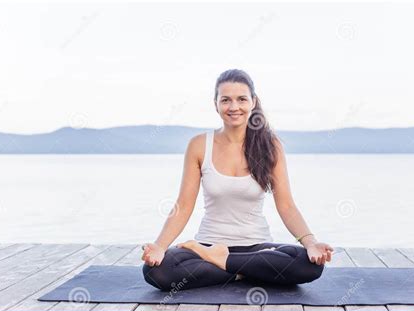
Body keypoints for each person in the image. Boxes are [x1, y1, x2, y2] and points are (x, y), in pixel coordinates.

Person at [141, 69, 334, 291]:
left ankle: (224, 264)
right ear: (215, 104)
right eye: (226, 100)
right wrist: (159, 246)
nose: (234, 107)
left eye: (242, 99)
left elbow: (287, 206)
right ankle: (248, 271)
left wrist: (310, 243)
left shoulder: (271, 146)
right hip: (207, 243)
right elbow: (183, 205)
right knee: (156, 271)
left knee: (309, 265)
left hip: (256, 246)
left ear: (253, 101)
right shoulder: (199, 145)